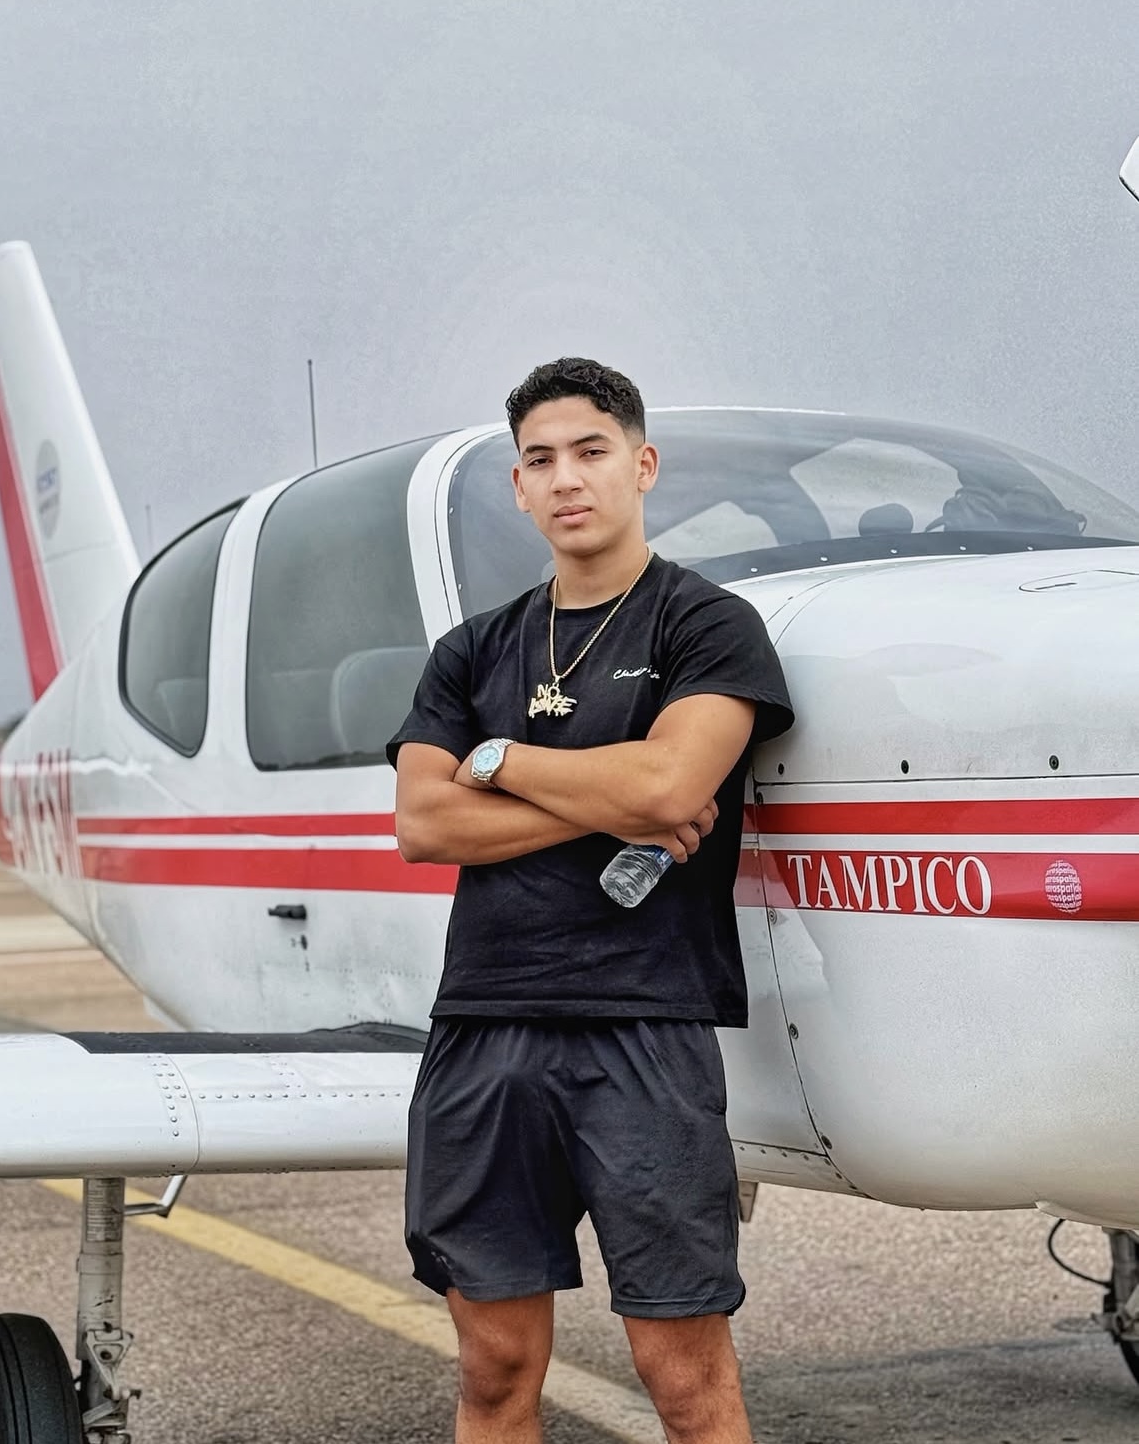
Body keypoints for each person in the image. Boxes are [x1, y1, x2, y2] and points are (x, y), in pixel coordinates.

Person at [387, 357, 793, 1444]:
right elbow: (424, 823)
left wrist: (497, 760)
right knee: (494, 1369)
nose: (567, 478)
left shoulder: (707, 626)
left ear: (642, 465)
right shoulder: (472, 650)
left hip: (645, 1024)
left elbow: (669, 787)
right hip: (485, 1023)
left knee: (684, 1375)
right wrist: (603, 801)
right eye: (540, 460)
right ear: (518, 487)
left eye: (591, 451)